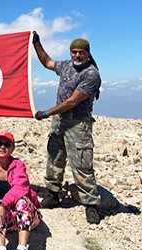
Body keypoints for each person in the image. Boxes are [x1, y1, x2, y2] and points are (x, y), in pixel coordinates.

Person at [32, 31, 102, 224]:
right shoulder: (66, 66)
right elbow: (47, 62)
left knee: (81, 162)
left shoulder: (91, 74)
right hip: (59, 121)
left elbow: (72, 101)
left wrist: (47, 113)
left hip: (78, 123)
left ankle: (91, 205)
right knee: (54, 156)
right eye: (74, 52)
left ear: (87, 54)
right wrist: (36, 44)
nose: (77, 55)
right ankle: (53, 194)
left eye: (81, 52)